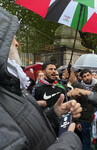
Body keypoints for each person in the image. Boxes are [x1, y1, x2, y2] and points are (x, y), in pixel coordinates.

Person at [0, 7, 82, 149]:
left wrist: (54, 113)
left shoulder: (13, 87)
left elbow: (29, 128)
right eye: (11, 37)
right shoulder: (33, 88)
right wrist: (69, 141)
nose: (17, 43)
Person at [78, 69, 97, 150]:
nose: (87, 78)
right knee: (86, 142)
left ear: (91, 75)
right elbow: (76, 104)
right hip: (84, 119)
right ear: (82, 78)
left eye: (88, 75)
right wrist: (77, 121)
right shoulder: (79, 88)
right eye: (84, 76)